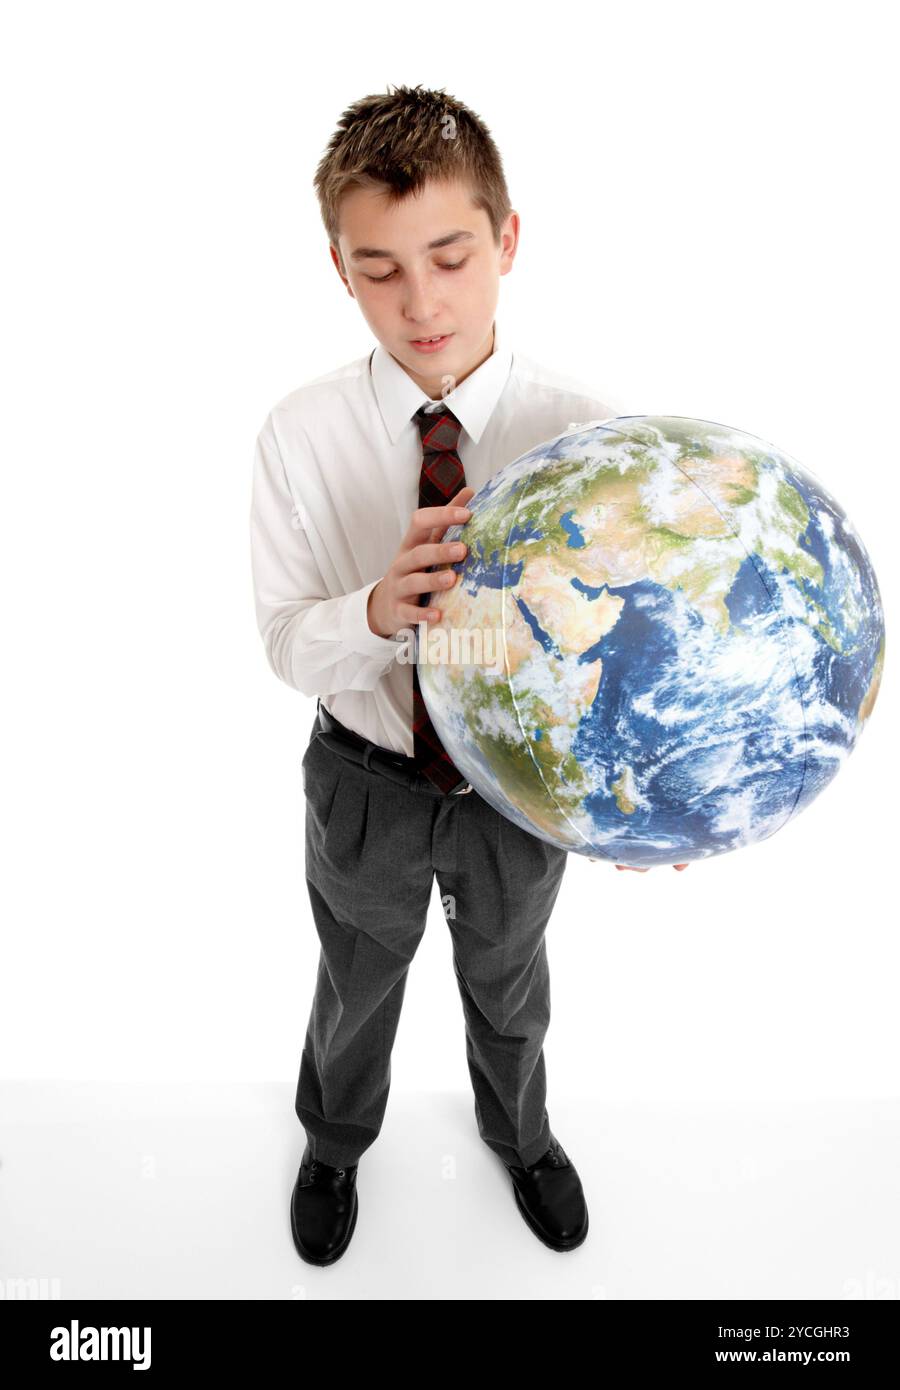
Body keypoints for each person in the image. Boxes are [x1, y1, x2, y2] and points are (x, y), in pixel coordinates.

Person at [249, 83, 687, 1268]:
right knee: (356, 976)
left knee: (509, 977)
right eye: (380, 267)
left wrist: (641, 800)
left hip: (514, 793)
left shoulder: (589, 434)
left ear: (506, 241)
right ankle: (335, 1142)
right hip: (366, 780)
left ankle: (524, 1135)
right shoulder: (300, 434)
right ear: (339, 269)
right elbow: (287, 639)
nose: (422, 300)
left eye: (449, 254)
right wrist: (376, 613)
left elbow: (637, 646)